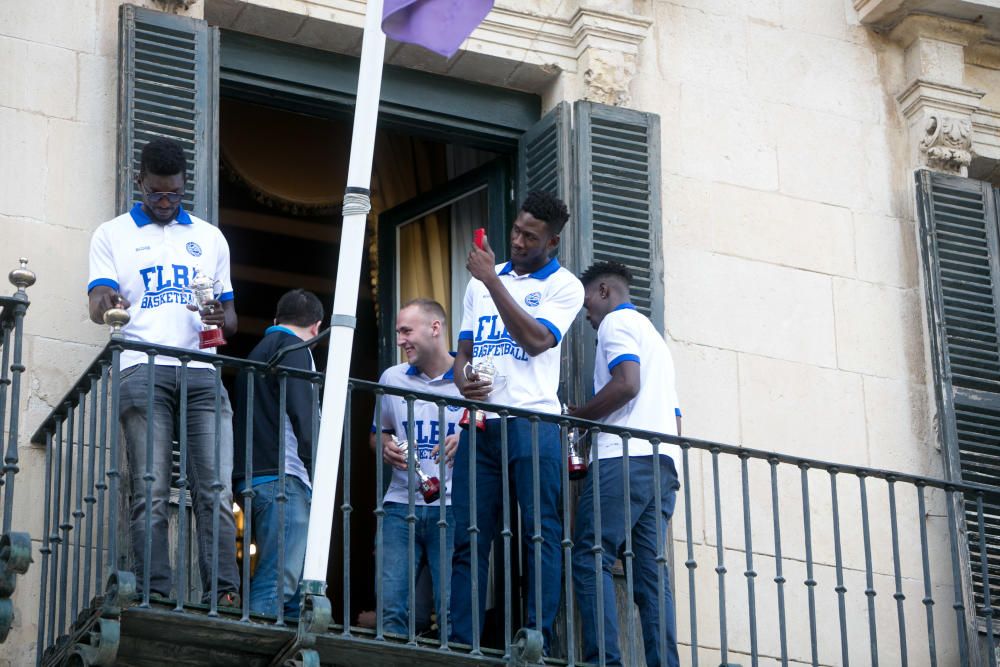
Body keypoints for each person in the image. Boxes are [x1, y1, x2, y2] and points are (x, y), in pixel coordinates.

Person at [87, 137, 240, 606]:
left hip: (202, 372)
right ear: (140, 183)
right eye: (156, 193)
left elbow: (232, 321)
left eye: (173, 193)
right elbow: (96, 305)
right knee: (151, 487)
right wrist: (109, 303)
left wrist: (219, 317)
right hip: (141, 367)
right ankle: (154, 590)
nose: (165, 202)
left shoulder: (211, 238)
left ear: (183, 185)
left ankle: (225, 593)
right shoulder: (112, 234)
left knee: (214, 488)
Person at [450, 191, 584, 651]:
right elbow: (463, 353)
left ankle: (535, 638)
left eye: (531, 236)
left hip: (534, 423)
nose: (519, 241)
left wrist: (492, 282)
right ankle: (461, 638)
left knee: (539, 533)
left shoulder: (564, 285)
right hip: (481, 424)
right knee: (470, 535)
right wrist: (462, 378)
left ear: (553, 241)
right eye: (516, 230)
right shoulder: (478, 285)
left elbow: (534, 340)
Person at [569, 261, 682, 667]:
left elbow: (627, 383)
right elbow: (676, 415)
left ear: (603, 291)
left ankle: (605, 660)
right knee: (651, 575)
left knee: (590, 554)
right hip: (664, 462)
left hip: (625, 455)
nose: (586, 316)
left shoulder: (616, 325)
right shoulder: (656, 340)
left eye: (586, 304)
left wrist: (580, 416)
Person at [372, 299, 462, 637]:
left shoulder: (468, 379)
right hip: (398, 505)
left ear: (435, 328)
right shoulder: (391, 378)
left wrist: (466, 443)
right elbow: (378, 434)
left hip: (452, 509)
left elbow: (490, 438)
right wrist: (385, 447)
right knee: (391, 610)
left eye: (406, 331)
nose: (400, 340)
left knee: (451, 611)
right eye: (397, 332)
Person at [233, 289, 323, 618]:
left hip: (255, 476)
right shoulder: (296, 349)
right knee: (279, 579)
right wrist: (319, 469)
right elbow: (302, 412)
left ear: (275, 320)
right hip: (283, 476)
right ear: (317, 327)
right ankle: (258, 644)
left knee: (284, 577)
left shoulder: (258, 350)